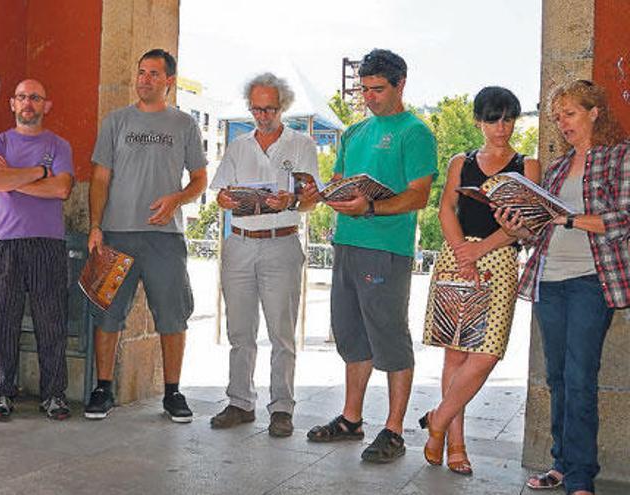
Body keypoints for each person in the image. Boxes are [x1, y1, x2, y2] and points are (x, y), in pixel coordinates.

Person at [496, 80, 629, 495]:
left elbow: (624, 220)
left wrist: (568, 218)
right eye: (557, 117)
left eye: (569, 114)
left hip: (592, 281)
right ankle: (561, 464)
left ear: (593, 112)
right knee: (557, 377)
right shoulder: (554, 169)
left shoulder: (619, 157)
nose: (562, 123)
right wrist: (516, 227)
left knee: (580, 377)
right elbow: (540, 231)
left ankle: (580, 475)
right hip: (548, 282)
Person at [306, 49, 437, 463]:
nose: (369, 97)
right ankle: (351, 419)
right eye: (364, 89)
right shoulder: (354, 132)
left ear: (401, 84)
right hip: (346, 243)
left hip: (387, 248)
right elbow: (342, 181)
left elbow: (420, 193)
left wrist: (373, 207)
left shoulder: (415, 132)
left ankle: (394, 430)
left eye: (378, 89)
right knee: (350, 335)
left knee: (390, 338)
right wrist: (322, 193)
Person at [418, 87, 540, 475]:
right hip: (457, 257)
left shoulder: (528, 165)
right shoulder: (461, 161)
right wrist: (462, 251)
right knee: (454, 352)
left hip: (501, 258)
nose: (501, 127)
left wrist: (482, 249)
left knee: (487, 354)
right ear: (478, 121)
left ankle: (436, 419)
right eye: (492, 119)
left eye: (508, 118)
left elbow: (528, 225)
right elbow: (445, 209)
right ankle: (454, 441)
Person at [86, 48, 207, 422]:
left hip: (165, 238)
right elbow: (100, 178)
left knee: (173, 316)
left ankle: (172, 393)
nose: (145, 80)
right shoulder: (115, 122)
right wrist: (95, 226)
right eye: (141, 72)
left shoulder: (185, 125)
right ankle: (103, 389)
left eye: (154, 74)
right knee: (107, 314)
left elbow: (200, 180)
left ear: (168, 81)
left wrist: (178, 198)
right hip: (117, 235)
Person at [208, 72, 319, 437]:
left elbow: (311, 199)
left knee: (281, 334)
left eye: (268, 108)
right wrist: (225, 199)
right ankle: (240, 401)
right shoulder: (239, 146)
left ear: (282, 106)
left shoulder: (301, 144)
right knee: (239, 330)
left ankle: (282, 408)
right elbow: (220, 193)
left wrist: (293, 200)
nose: (262, 115)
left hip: (281, 243)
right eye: (256, 108)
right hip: (239, 243)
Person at [0, 79, 74, 421]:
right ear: (12, 103)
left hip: (47, 243)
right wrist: (38, 173)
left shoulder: (59, 145)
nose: (28, 103)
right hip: (4, 243)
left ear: (46, 105)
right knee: (0, 318)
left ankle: (53, 395)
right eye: (21, 97)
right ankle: (0, 393)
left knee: (51, 320)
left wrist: (14, 180)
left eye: (35, 97)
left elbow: (62, 188)